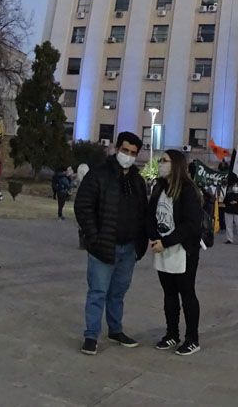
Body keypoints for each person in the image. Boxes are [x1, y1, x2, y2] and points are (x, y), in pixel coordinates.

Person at [75, 132, 148, 356]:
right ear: (117, 148)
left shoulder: (137, 180)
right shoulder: (99, 174)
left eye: (133, 153)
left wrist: (140, 243)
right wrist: (94, 237)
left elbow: (143, 212)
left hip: (128, 248)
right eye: (125, 151)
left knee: (118, 292)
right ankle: (91, 335)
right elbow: (83, 206)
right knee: (97, 291)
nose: (128, 156)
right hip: (103, 245)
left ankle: (115, 330)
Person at [147, 149, 204, 357]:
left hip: (183, 250)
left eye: (165, 161)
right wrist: (154, 237)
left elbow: (190, 224)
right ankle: (172, 333)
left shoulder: (188, 190)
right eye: (160, 160)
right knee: (169, 294)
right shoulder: (159, 187)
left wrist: (167, 242)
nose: (161, 164)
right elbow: (150, 215)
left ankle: (192, 338)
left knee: (186, 294)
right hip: (161, 248)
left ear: (176, 164)